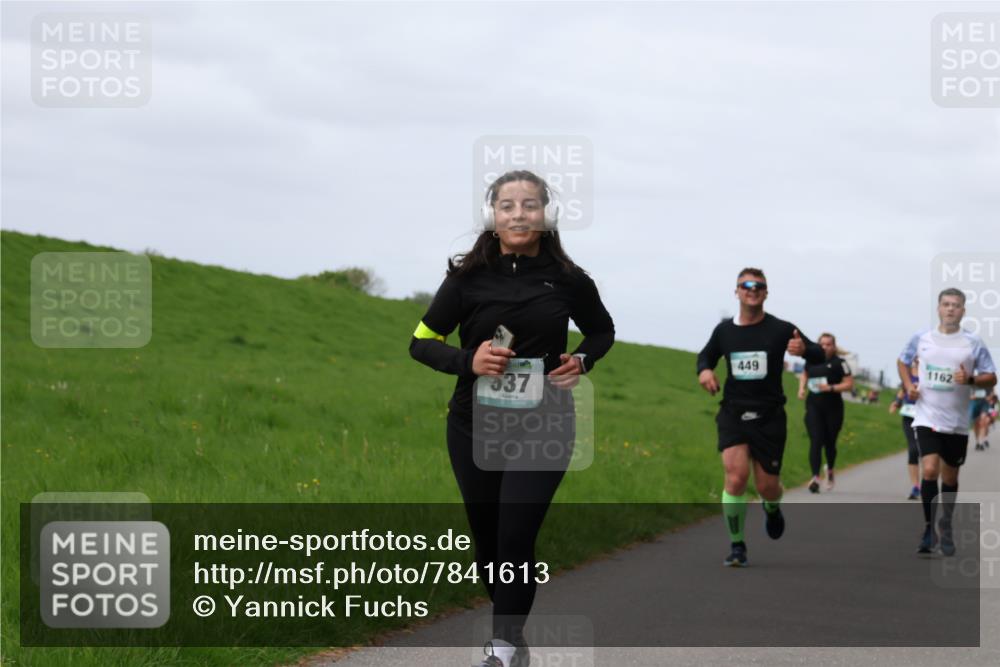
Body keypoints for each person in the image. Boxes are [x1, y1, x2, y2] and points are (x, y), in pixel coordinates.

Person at [410, 170, 614, 667]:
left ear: (547, 216)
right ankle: (512, 635)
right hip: (473, 426)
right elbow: (421, 342)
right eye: (507, 206)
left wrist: (581, 360)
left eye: (529, 205)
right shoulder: (465, 280)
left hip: (545, 423)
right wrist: (468, 361)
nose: (518, 214)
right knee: (488, 542)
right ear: (492, 216)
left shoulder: (569, 280)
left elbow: (602, 331)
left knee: (515, 534)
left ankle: (501, 647)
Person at [696, 268, 824, 567]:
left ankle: (772, 507)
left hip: (769, 417)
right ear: (737, 292)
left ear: (766, 293)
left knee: (768, 487)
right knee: (736, 477)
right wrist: (704, 371)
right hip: (733, 412)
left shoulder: (781, 329)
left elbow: (819, 354)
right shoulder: (724, 331)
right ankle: (737, 545)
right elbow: (706, 356)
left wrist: (804, 349)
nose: (752, 289)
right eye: (746, 285)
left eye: (758, 285)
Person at [898, 288, 996, 556]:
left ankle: (946, 523)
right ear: (938, 308)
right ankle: (929, 528)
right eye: (946, 304)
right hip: (926, 416)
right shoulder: (922, 338)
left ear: (963, 311)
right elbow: (903, 361)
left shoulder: (973, 343)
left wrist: (972, 379)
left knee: (950, 477)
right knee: (930, 470)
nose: (950, 309)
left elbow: (991, 377)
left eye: (956, 305)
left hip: (956, 422)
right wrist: (909, 386)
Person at [797, 333, 854, 493]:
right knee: (816, 440)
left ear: (834, 346)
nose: (825, 347)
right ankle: (815, 477)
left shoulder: (840, 363)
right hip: (814, 407)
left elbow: (849, 384)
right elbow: (805, 374)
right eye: (822, 344)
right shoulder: (811, 360)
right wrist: (801, 388)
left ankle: (830, 470)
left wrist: (830, 388)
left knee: (829, 443)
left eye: (828, 344)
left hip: (833, 408)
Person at [888, 357, 921, 499]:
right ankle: (916, 486)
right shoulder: (907, 372)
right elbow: (903, 390)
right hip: (908, 415)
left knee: (925, 451)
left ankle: (929, 481)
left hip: (927, 417)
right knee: (913, 450)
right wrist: (896, 402)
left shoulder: (930, 372)